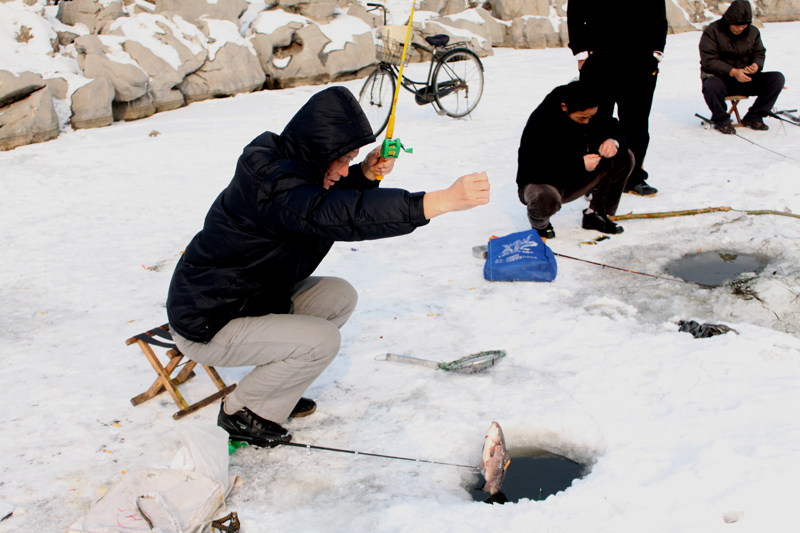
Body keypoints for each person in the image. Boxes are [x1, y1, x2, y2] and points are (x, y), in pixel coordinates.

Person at [166, 87, 489, 446]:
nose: (345, 168)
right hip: (209, 322)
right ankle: (242, 412)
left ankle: (275, 392)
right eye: (342, 159)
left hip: (252, 299)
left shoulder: (289, 166)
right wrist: (438, 202)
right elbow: (335, 214)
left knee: (338, 296)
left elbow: (316, 201)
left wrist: (365, 175)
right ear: (318, 151)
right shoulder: (272, 184)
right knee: (321, 341)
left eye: (351, 158)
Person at [567, 0, 667, 197]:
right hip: (600, 56)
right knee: (596, 119)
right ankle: (596, 178)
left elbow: (658, 14)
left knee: (637, 122)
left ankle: (633, 176)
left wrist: (656, 51)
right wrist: (581, 53)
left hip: (640, 59)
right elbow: (576, 11)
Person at [516, 81, 634, 239]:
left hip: (578, 173)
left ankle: (596, 214)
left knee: (624, 156)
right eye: (583, 118)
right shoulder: (541, 122)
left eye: (591, 117)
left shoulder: (589, 106)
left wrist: (613, 141)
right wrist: (579, 163)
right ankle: (540, 225)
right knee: (544, 197)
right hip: (543, 181)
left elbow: (616, 127)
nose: (587, 121)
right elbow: (536, 167)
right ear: (564, 107)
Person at [699, 0, 785, 134]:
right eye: (737, 25)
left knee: (777, 79)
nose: (740, 28)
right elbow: (708, 61)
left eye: (744, 25)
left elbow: (759, 53)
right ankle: (721, 120)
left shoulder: (753, 32)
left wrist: (756, 65)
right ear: (728, 21)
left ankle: (754, 116)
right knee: (711, 85)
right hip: (721, 79)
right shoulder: (712, 32)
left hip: (746, 78)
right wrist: (733, 72)